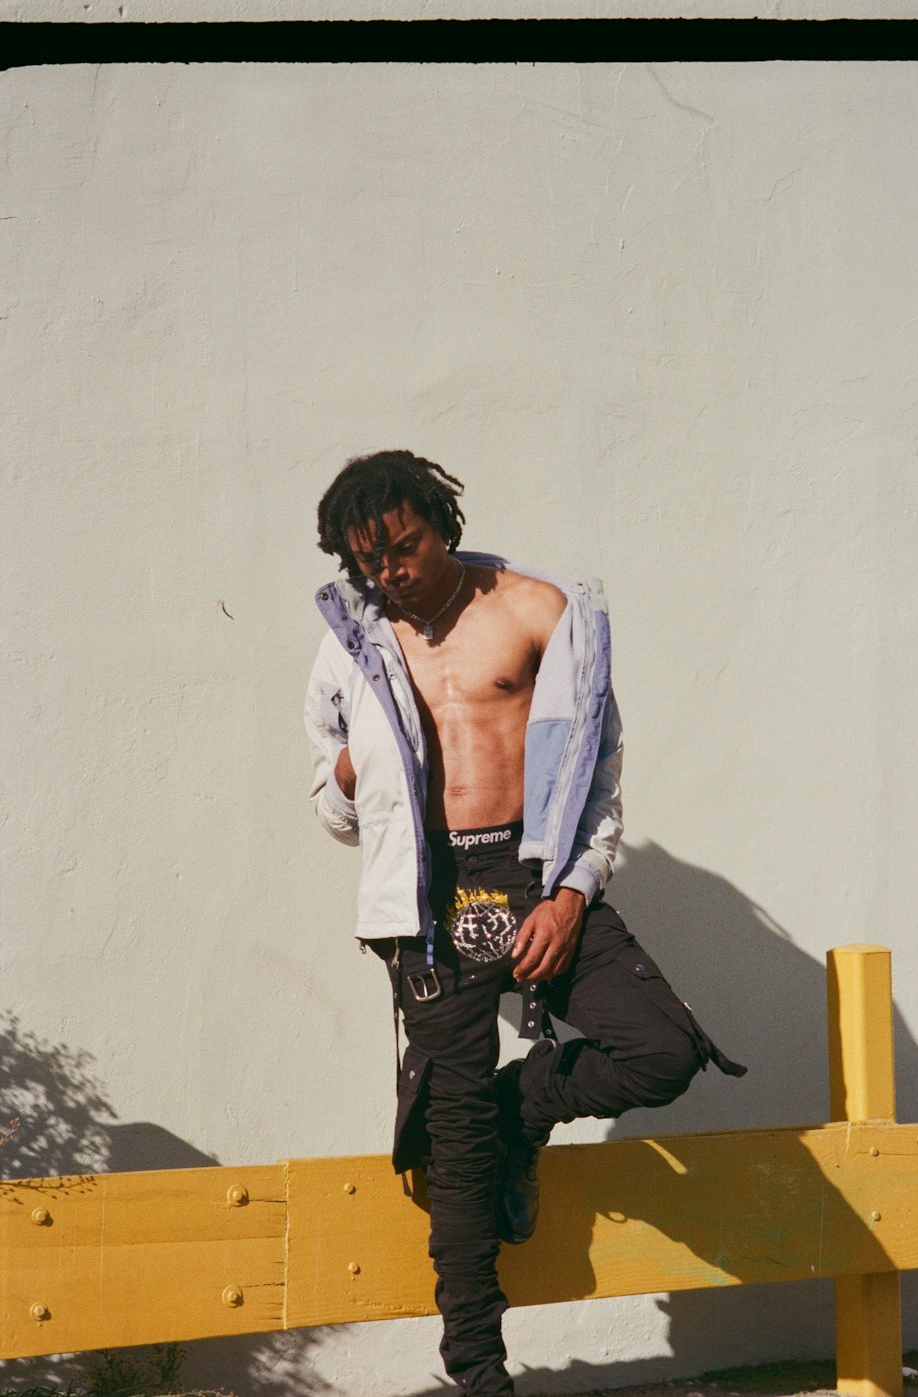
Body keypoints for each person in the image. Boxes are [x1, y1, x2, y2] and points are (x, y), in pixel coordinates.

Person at [305, 449, 744, 1396]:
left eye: (404, 547)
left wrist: (572, 893)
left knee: (663, 1051)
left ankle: (520, 1108)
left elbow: (600, 773)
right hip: (424, 900)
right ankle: (478, 1371)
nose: (390, 573)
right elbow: (334, 814)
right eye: (368, 560)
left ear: (439, 523)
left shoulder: (538, 610)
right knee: (454, 1153)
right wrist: (355, 763)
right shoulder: (353, 645)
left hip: (532, 872)